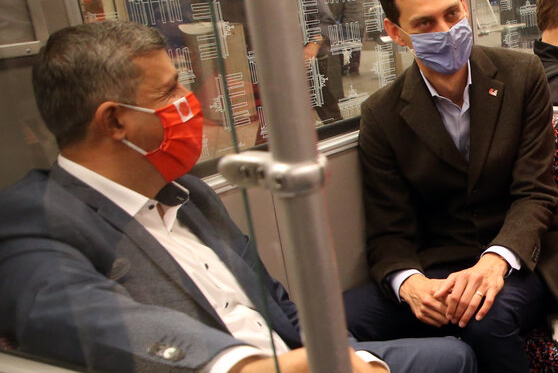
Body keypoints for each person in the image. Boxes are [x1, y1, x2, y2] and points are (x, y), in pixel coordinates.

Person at [0, 20, 477, 373]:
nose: (190, 102)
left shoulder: (193, 195)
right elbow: (93, 318)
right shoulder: (35, 218)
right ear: (114, 121)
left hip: (299, 357)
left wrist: (346, 357)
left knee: (455, 357)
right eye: (169, 92)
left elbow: (277, 303)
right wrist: (245, 366)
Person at [342, 0, 558, 373]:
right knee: (330, 322)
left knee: (485, 318)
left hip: (518, 258)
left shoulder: (521, 74)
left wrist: (495, 261)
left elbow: (535, 192)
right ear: (395, 33)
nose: (444, 31)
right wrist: (411, 284)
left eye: (452, 14)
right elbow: (389, 231)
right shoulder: (382, 114)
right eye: (424, 24)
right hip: (438, 266)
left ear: (465, 4)